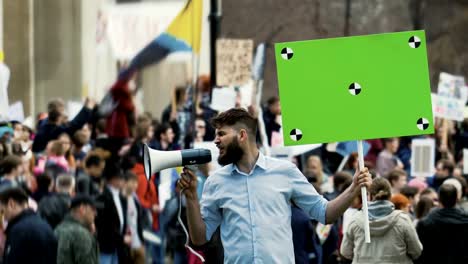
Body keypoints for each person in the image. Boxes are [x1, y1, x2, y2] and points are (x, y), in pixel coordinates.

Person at [177, 108, 372, 263]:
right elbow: (200, 239)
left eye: (221, 134)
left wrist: (354, 187)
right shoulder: (215, 182)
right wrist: (192, 197)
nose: (216, 141)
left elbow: (325, 213)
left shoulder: (285, 172)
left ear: (242, 135)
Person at [340, 177, 422, 263]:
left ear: (369, 196)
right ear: (390, 195)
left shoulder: (355, 221)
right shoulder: (403, 220)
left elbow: (345, 253)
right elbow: (416, 252)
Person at [0, 187, 57, 264]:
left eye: (2, 211)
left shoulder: (18, 231)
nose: (4, 217)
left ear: (11, 204)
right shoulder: (45, 225)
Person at [416, 184, 468, 263]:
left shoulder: (425, 223)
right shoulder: (465, 220)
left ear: (439, 199)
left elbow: (419, 250)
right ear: (457, 199)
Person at [95, 163, 128, 264]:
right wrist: (121, 238)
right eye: (120, 178)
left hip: (117, 245)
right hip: (106, 244)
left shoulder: (122, 197)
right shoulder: (102, 198)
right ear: (113, 179)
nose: (123, 181)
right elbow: (105, 224)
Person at [54, 195, 99, 264]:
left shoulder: (58, 228)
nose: (95, 213)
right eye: (93, 209)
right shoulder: (82, 234)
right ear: (82, 209)